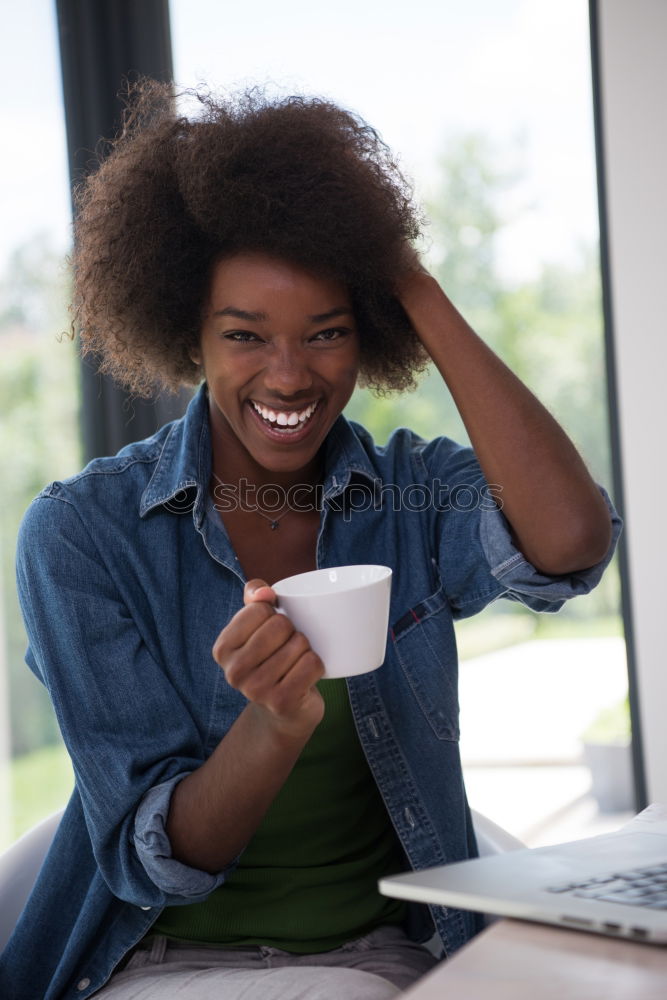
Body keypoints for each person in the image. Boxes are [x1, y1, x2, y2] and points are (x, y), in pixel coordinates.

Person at [0, 80, 620, 1000]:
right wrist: (276, 723)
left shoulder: (408, 492)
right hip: (153, 964)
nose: (288, 376)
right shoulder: (82, 534)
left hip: (381, 954)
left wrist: (404, 278)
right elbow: (157, 861)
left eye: (327, 333)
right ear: (187, 332)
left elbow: (569, 541)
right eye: (245, 335)